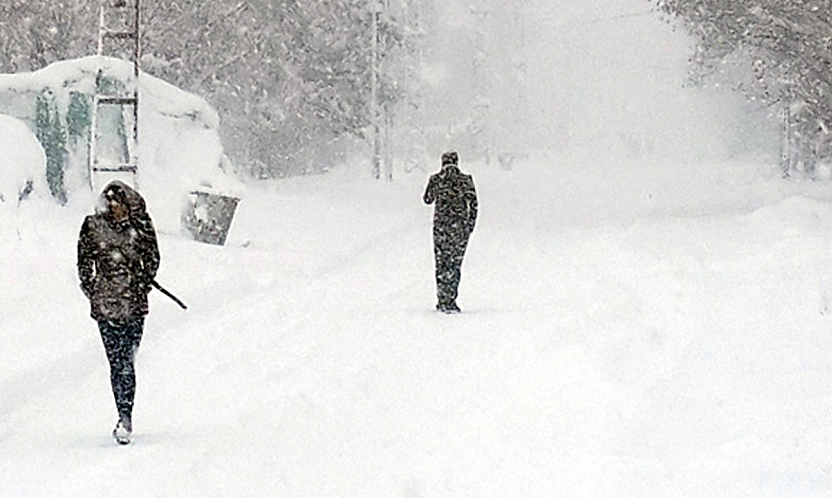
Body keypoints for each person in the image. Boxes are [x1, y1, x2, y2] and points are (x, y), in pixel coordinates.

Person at [77, 180, 160, 444]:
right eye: (110, 204)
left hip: (134, 306)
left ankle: (126, 413)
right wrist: (95, 290)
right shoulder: (92, 227)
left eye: (119, 204)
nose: (115, 209)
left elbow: (153, 258)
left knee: (127, 361)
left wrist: (142, 282)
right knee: (118, 363)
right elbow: (83, 263)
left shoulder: (141, 225)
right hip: (106, 307)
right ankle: (123, 415)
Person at [423, 151, 478, 313]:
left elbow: (427, 199)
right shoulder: (466, 180)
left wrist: (437, 184)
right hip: (459, 229)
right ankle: (451, 299)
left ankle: (442, 299)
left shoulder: (436, 179)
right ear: (457, 162)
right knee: (455, 264)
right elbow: (474, 205)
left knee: (441, 263)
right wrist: (469, 226)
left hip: (441, 228)